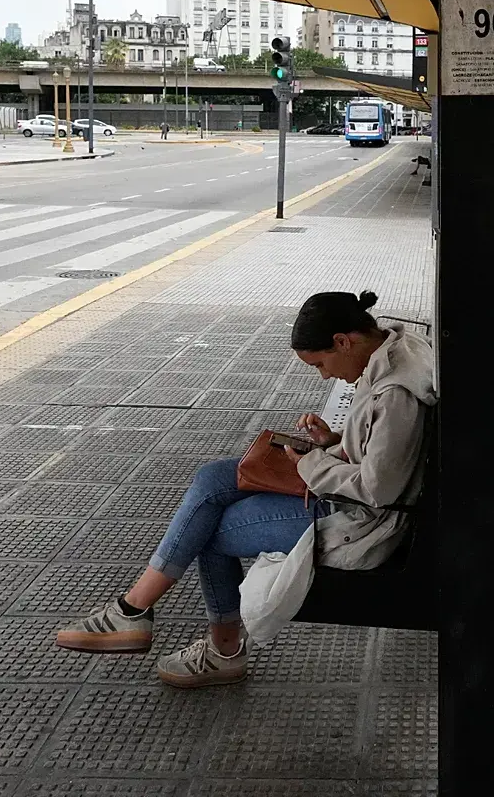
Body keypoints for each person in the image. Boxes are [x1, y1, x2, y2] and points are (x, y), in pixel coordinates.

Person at [55, 291, 438, 687]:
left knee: (209, 530)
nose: (324, 375)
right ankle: (132, 611)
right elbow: (381, 449)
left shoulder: (394, 394)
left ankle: (208, 646)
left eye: (321, 363)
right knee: (213, 478)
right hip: (342, 494)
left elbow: (378, 488)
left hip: (358, 519)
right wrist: (331, 442)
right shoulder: (390, 354)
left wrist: (311, 463)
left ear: (344, 340)